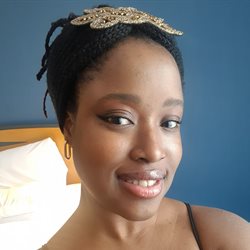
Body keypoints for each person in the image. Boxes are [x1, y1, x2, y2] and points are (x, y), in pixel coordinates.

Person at [37, 5, 250, 250]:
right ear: (69, 127)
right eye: (119, 119)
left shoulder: (227, 237)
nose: (153, 151)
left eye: (169, 122)